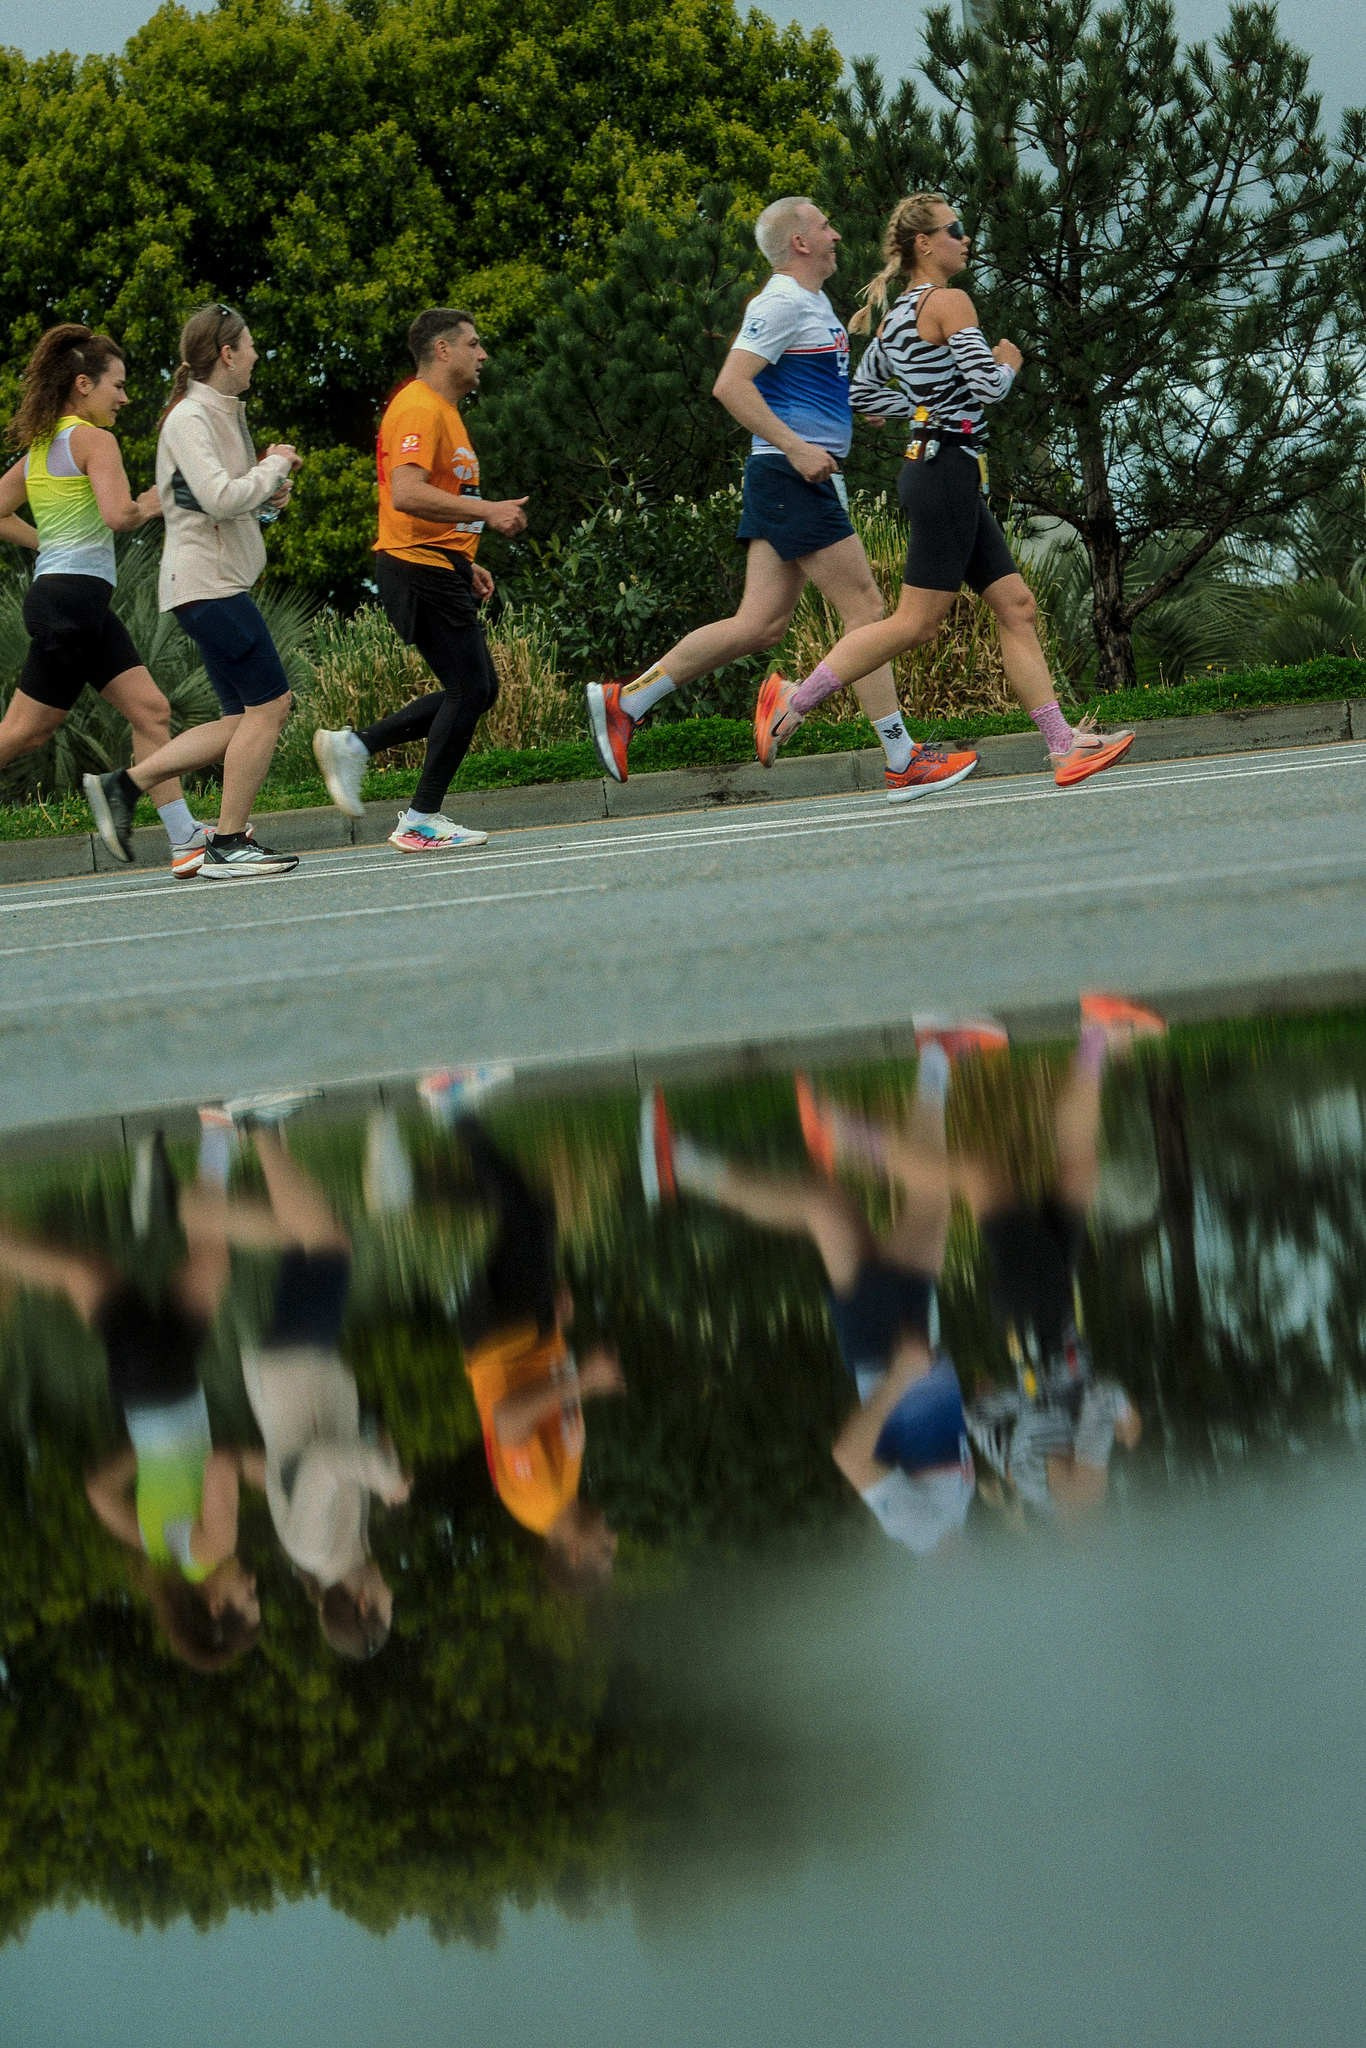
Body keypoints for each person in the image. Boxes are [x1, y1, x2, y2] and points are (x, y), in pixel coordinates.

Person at [583, 196, 978, 803]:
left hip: (791, 477)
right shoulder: (781, 301)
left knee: (760, 624)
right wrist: (797, 448)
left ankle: (628, 700)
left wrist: (856, 413)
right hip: (792, 476)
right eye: (824, 226)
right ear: (799, 242)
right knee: (868, 610)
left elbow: (805, 386)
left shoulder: (814, 305)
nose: (837, 233)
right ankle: (901, 758)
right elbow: (730, 384)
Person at [755, 194, 1135, 789]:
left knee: (1016, 607)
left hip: (940, 468)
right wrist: (1009, 361)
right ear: (924, 244)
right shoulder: (951, 302)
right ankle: (794, 702)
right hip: (947, 473)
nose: (966, 240)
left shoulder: (897, 316)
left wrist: (922, 409)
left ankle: (1065, 746)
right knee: (914, 623)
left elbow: (860, 395)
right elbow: (986, 385)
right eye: (955, 230)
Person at [638, 1018, 1010, 1554]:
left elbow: (850, 1454)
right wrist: (968, 1401)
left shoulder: (920, 1531)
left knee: (855, 1206)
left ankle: (684, 1168)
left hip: (885, 1351)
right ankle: (936, 1056)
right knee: (881, 1204)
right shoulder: (950, 1521)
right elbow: (923, 1438)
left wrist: (902, 1377)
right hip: (906, 1342)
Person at [0, 1120, 260, 1671]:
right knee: (189, 1265)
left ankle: (217, 1133)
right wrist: (149, 1452)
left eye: (248, 1599)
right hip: (148, 1389)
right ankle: (217, 1136)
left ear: (215, 1606)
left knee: (102, 1270)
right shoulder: (156, 1550)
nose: (254, 1584)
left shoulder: (215, 1547)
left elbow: (220, 1462)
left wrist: (269, 1468)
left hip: (163, 1378)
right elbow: (98, 1488)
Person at [83, 302, 303, 879]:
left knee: (239, 720)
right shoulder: (190, 418)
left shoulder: (221, 412)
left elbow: (225, 497)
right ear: (227, 353)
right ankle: (229, 843)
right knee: (271, 705)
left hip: (214, 582)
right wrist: (274, 468)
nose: (257, 355)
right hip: (208, 585)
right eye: (251, 346)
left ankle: (123, 786)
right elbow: (220, 498)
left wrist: (271, 493)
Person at [312, 308, 528, 852]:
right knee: (471, 688)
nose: (484, 355)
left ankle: (358, 747)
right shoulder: (419, 409)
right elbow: (406, 493)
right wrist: (488, 509)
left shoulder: (445, 412)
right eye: (474, 344)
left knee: (476, 689)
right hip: (415, 565)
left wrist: (464, 558)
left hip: (435, 563)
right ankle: (420, 817)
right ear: (443, 350)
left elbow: (427, 501)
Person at [0, 323, 207, 873]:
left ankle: (185, 838)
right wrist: (154, 506)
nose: (125, 397)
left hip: (74, 600)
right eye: (117, 385)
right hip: (70, 605)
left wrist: (50, 543)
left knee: (151, 710)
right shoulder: (94, 440)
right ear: (83, 384)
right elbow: (119, 516)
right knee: (23, 733)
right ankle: (184, 836)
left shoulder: (42, 449)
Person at [214, 1104, 411, 1657]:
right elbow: (329, 1457)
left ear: (364, 1605)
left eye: (388, 1602)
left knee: (327, 1246)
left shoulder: (313, 1548)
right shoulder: (346, 1547)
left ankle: (255, 1129)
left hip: (292, 1373)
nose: (392, 1591)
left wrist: (382, 1478)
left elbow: (324, 1463)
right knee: (313, 1240)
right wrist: (376, 1448)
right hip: (305, 1371)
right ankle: (250, 1143)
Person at [453, 1117, 624, 1586]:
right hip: (529, 1338)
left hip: (499, 1343)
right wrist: (557, 1334)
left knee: (530, 1219)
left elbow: (509, 1420)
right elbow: (550, 1405)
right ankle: (451, 1171)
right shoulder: (563, 1493)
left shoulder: (538, 1499)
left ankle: (457, 1119)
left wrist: (585, 1381)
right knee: (532, 1217)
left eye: (603, 1550)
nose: (612, 1538)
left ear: (572, 1555)